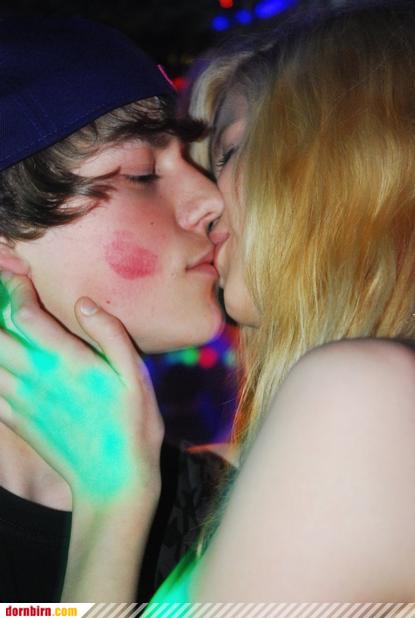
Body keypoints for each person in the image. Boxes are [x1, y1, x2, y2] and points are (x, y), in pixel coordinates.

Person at [4, 0, 415, 602]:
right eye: (142, 173)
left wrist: (113, 508)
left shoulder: (247, 493)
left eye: (217, 160)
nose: (209, 199)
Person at [0, 15, 228, 602]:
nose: (209, 199)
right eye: (142, 174)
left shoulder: (229, 517)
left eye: (195, 163)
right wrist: (111, 510)